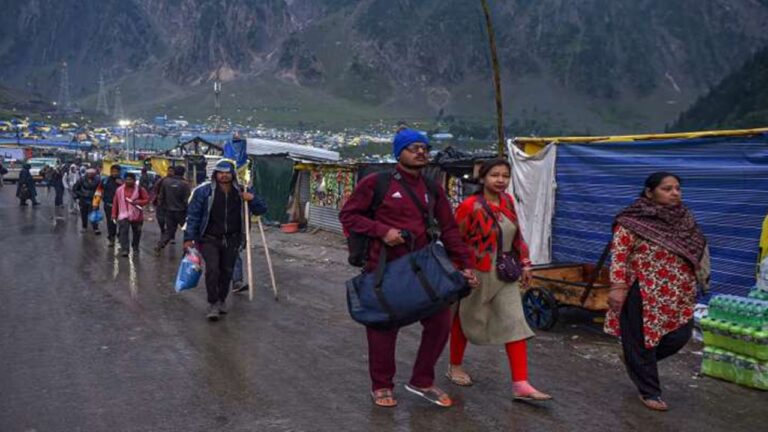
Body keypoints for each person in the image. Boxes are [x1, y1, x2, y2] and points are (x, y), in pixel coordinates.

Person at [339, 128, 478, 409]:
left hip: (424, 269)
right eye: (413, 147)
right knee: (383, 325)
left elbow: (449, 229)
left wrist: (464, 265)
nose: (421, 152)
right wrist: (382, 231)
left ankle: (422, 380)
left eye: (424, 148)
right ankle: (381, 385)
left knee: (439, 323)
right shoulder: (376, 183)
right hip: (384, 267)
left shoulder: (432, 188)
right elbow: (348, 215)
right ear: (398, 152)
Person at [606, 172, 709, 411]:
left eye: (678, 188)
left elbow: (697, 250)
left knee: (680, 336)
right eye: (667, 189)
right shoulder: (632, 220)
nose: (675, 193)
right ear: (649, 192)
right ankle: (649, 391)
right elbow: (619, 256)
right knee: (643, 342)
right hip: (644, 291)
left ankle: (635, 361)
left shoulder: (685, 219)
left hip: (678, 292)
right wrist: (617, 287)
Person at [450, 159, 551, 401]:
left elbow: (517, 236)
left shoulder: (507, 201)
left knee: (514, 321)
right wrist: (462, 270)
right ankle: (455, 366)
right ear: (483, 178)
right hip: (477, 272)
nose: (500, 180)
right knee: (465, 318)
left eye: (505, 176)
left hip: (505, 272)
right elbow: (455, 241)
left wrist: (525, 262)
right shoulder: (470, 206)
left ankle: (521, 383)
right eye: (494, 175)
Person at [183, 160, 267, 321]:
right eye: (220, 172)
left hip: (232, 239)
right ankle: (213, 303)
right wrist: (189, 238)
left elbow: (261, 209)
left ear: (233, 174)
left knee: (227, 272)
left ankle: (221, 299)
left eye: (227, 172)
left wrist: (252, 199)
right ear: (215, 174)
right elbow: (193, 216)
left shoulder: (242, 191)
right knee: (213, 270)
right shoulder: (203, 192)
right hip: (209, 238)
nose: (224, 175)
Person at [154, 166, 191, 254]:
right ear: (183, 173)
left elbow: (161, 196)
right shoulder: (185, 184)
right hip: (181, 212)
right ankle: (187, 250)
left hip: (169, 211)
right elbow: (187, 200)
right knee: (188, 230)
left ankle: (160, 245)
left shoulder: (166, 182)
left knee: (169, 231)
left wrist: (161, 207)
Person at [112, 172, 150, 257]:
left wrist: (137, 202)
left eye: (130, 179)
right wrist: (114, 214)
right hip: (123, 215)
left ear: (134, 180)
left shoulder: (140, 189)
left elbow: (147, 199)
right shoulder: (119, 190)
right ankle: (125, 249)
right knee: (123, 232)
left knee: (137, 233)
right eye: (127, 179)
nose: (128, 181)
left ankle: (135, 247)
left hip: (137, 216)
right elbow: (116, 202)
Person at [73, 168, 102, 234]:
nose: (90, 175)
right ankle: (84, 227)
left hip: (94, 199)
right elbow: (75, 189)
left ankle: (96, 228)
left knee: (94, 214)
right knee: (84, 214)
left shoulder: (98, 180)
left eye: (92, 174)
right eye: (89, 173)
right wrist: (79, 195)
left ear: (94, 174)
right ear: (86, 173)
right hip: (83, 199)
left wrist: (98, 198)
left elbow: (100, 190)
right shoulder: (81, 179)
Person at [101, 165, 124, 246]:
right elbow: (99, 191)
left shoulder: (124, 181)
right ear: (110, 172)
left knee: (122, 223)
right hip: (109, 205)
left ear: (119, 172)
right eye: (113, 171)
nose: (115, 173)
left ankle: (120, 237)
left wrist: (122, 184)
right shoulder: (105, 180)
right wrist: (96, 204)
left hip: (121, 206)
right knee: (111, 223)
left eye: (116, 172)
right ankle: (111, 238)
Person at [153, 166, 175, 239]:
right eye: (169, 171)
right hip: (161, 203)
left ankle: (172, 236)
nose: (170, 172)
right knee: (160, 219)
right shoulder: (162, 180)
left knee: (171, 221)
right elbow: (155, 189)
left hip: (172, 204)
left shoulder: (177, 181)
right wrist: (157, 199)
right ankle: (163, 230)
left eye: (172, 171)